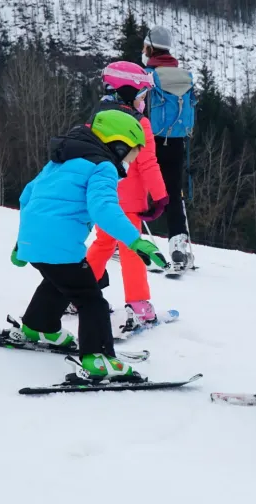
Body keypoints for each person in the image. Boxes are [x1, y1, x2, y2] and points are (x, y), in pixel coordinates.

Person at [9, 109, 167, 381]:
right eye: (131, 155)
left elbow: (27, 196)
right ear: (118, 146)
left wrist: (20, 245)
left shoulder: (60, 161)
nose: (130, 163)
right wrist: (135, 240)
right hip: (61, 245)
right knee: (91, 300)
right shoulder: (102, 166)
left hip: (32, 243)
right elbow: (103, 208)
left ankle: (39, 327)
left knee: (58, 281)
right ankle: (98, 359)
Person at [83, 61, 169, 329]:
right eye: (142, 96)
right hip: (129, 202)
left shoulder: (97, 117)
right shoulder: (140, 123)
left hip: (103, 196)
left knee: (103, 243)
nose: (144, 102)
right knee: (132, 248)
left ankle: (78, 294)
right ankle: (138, 303)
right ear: (129, 93)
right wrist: (160, 197)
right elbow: (147, 163)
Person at [141, 25, 197, 274]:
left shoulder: (146, 76)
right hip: (176, 141)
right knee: (173, 192)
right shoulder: (183, 76)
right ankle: (179, 247)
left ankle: (131, 242)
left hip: (148, 140)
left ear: (150, 48)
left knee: (138, 189)